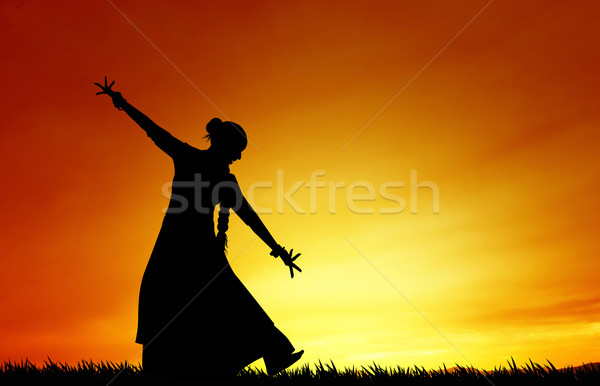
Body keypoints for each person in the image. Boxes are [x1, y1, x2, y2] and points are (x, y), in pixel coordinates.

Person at [95, 77, 303, 379]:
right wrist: (124, 105)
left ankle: (269, 352)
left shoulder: (192, 160)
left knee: (175, 299)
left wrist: (278, 250)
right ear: (226, 146)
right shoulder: (211, 171)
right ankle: (264, 353)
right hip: (195, 247)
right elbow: (155, 131)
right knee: (220, 299)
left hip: (176, 244)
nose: (240, 157)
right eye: (238, 150)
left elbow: (248, 216)